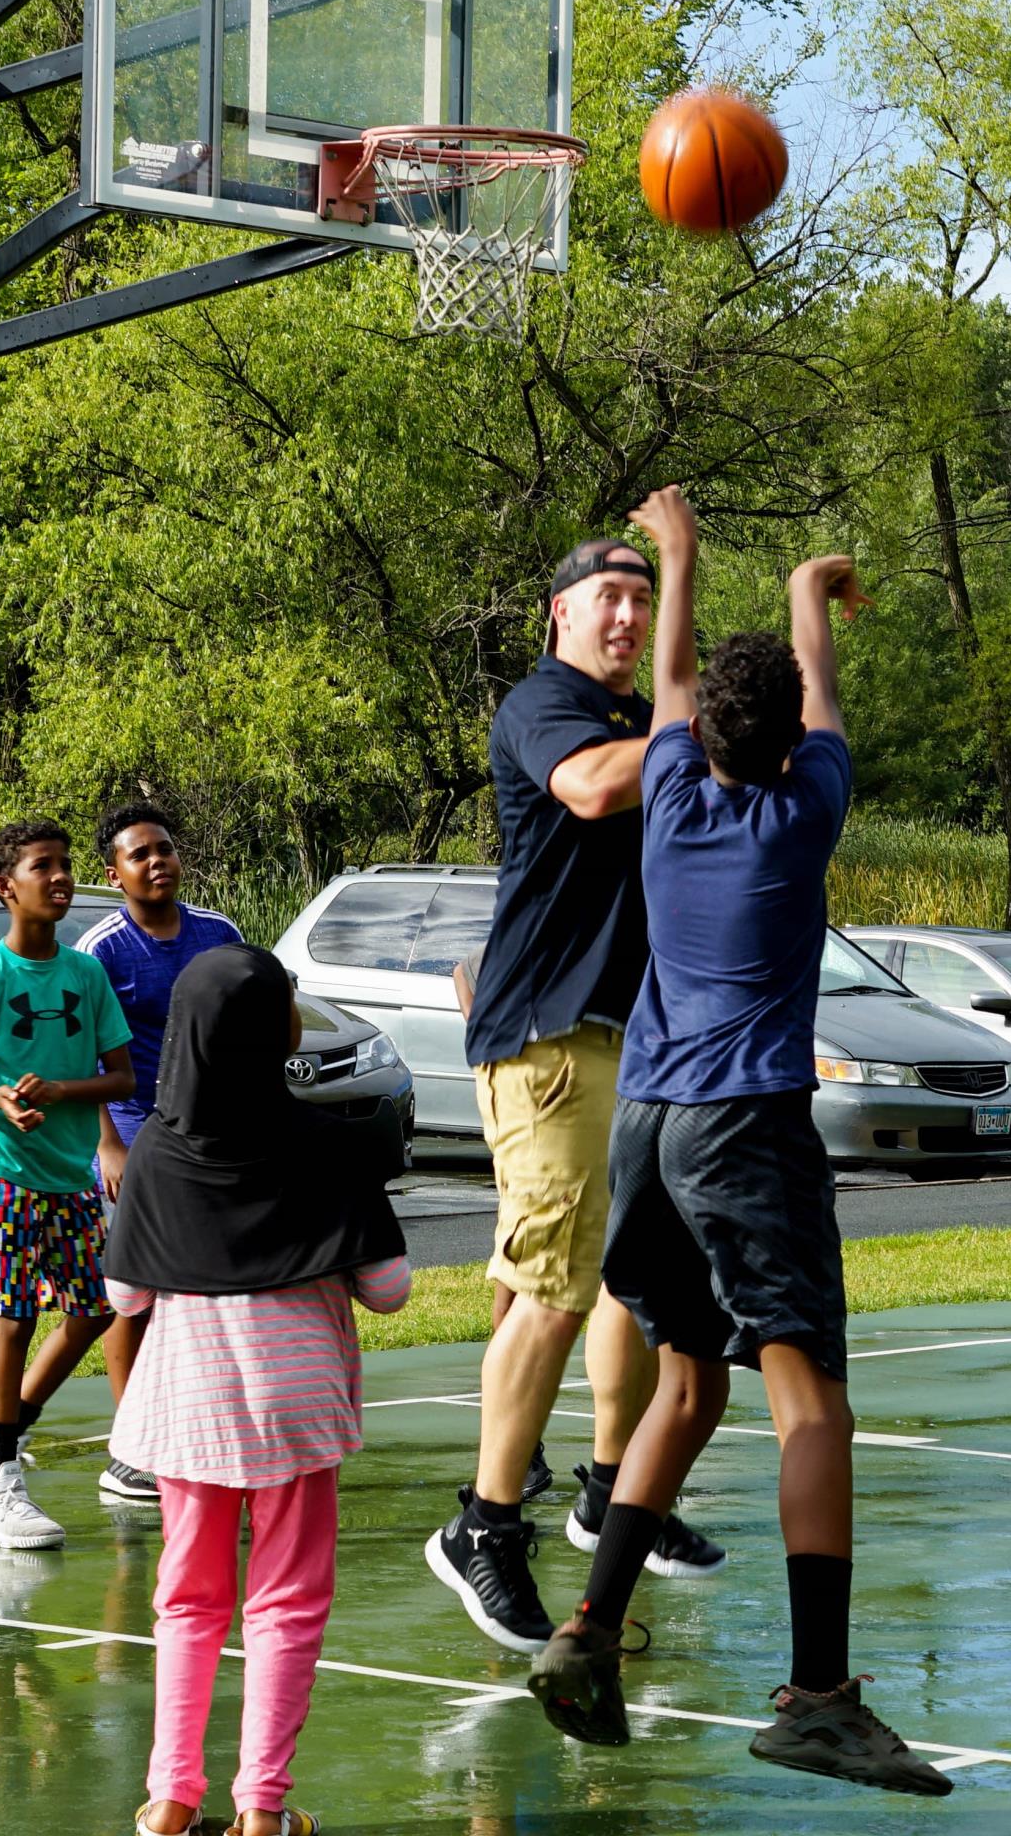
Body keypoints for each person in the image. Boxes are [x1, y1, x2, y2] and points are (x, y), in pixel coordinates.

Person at [527, 491, 950, 1797]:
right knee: (810, 1400)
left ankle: (588, 1634)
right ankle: (819, 1698)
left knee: (690, 1388)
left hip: (646, 1128)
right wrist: (813, 591)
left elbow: (670, 677)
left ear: (698, 732)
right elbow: (816, 692)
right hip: (746, 1128)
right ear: (790, 742)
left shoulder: (664, 785)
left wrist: (679, 553)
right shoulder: (805, 809)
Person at [426, 531, 722, 1656]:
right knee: (551, 1287)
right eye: (610, 596)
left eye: (643, 599)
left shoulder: (639, 717)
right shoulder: (543, 706)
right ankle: (484, 1523)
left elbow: (681, 729)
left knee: (627, 1282)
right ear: (559, 612)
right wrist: (696, 730)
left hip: (632, 1038)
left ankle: (610, 1490)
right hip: (549, 1038)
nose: (628, 616)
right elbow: (594, 789)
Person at [103, 944, 409, 1836]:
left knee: (187, 1601)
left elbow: (126, 1297)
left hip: (188, 1408)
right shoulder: (331, 1142)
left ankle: (170, 1799)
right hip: (298, 1409)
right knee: (288, 1604)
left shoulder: (158, 1151)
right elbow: (389, 1290)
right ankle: (263, 1810)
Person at [0, 818, 135, 1550]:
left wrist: (64, 1091)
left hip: (69, 1172)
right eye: (45, 866)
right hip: (2, 1169)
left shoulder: (86, 975)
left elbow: (122, 1077)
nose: (61, 876)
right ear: (7, 887)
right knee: (14, 1315)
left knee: (94, 1310)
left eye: (65, 864)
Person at [79, 801, 245, 1503]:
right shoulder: (102, 949)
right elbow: (81, 1054)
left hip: (210, 1132)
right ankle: (131, 1449)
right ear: (113, 873)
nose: (157, 862)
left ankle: (204, 1430)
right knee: (136, 1292)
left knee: (215, 1287)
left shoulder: (219, 933)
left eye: (165, 849)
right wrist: (108, 1144)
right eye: (140, 854)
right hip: (135, 1132)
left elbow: (244, 1027)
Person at [454, 942, 552, 1500]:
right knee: (514, 1294)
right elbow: (463, 974)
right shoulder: (499, 954)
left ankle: (630, 1462)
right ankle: (522, 1455)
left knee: (621, 1294)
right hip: (531, 1140)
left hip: (572, 1132)